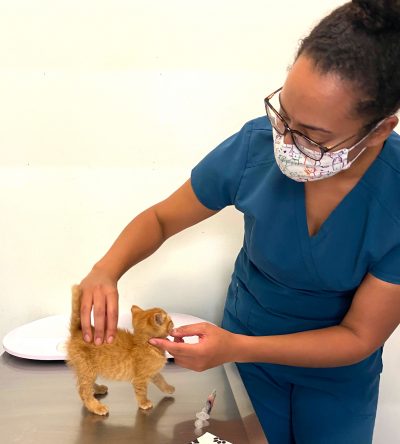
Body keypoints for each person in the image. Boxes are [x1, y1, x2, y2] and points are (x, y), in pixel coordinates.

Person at [78, 1, 400, 443]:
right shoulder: (254, 148)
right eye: (282, 115)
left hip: (334, 375)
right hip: (243, 360)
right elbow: (159, 218)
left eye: (312, 136)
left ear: (380, 129)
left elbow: (359, 335)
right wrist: (106, 269)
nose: (284, 142)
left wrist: (236, 347)